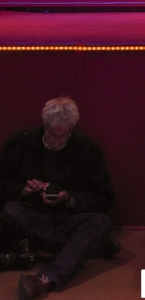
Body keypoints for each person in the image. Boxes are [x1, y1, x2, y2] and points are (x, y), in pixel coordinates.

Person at [0, 96, 120, 300]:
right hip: (30, 217)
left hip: (67, 217)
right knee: (11, 211)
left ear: (70, 131)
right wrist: (23, 190)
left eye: (61, 137)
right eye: (51, 135)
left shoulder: (87, 151)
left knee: (100, 222)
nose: (55, 142)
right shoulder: (21, 145)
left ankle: (44, 279)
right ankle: (89, 247)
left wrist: (69, 198)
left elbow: (104, 199)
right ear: (44, 125)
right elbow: (2, 187)